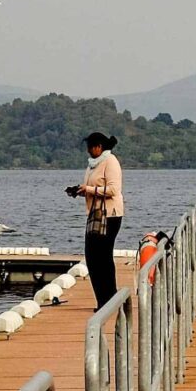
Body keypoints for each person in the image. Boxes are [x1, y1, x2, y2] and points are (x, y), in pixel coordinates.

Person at [69, 131, 125, 306]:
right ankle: (103, 299)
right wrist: (79, 190)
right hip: (95, 215)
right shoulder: (93, 165)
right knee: (93, 258)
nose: (88, 151)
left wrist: (89, 190)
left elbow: (113, 190)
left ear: (98, 147)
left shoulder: (110, 162)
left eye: (89, 147)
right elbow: (93, 186)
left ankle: (109, 298)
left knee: (103, 258)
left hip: (110, 215)